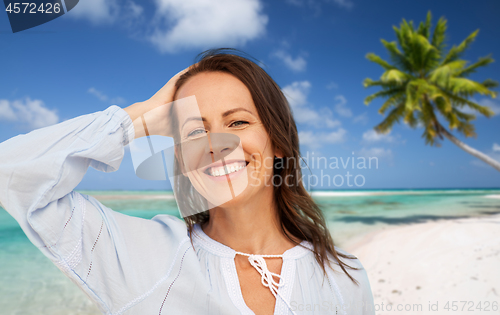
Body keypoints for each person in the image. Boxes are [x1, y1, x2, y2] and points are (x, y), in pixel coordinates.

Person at [0, 48, 375, 315]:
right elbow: (10, 173)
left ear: (277, 143)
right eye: (196, 133)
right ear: (181, 158)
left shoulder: (346, 276)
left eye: (238, 122)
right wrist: (141, 119)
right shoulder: (143, 256)